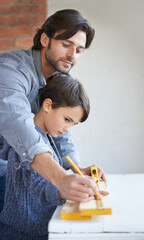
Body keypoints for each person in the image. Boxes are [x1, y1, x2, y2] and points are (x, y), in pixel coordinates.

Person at [0, 9, 106, 212]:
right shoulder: (11, 71)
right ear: (45, 39)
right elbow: (21, 127)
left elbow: (60, 131)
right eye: (66, 44)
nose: (72, 55)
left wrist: (75, 169)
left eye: (79, 50)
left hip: (9, 168)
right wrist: (61, 179)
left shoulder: (60, 78)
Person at [0, 74, 105, 240]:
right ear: (47, 105)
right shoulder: (28, 142)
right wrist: (66, 191)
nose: (68, 128)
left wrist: (78, 176)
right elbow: (38, 186)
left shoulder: (46, 137)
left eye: (73, 124)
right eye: (67, 119)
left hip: (34, 229)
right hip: (21, 233)